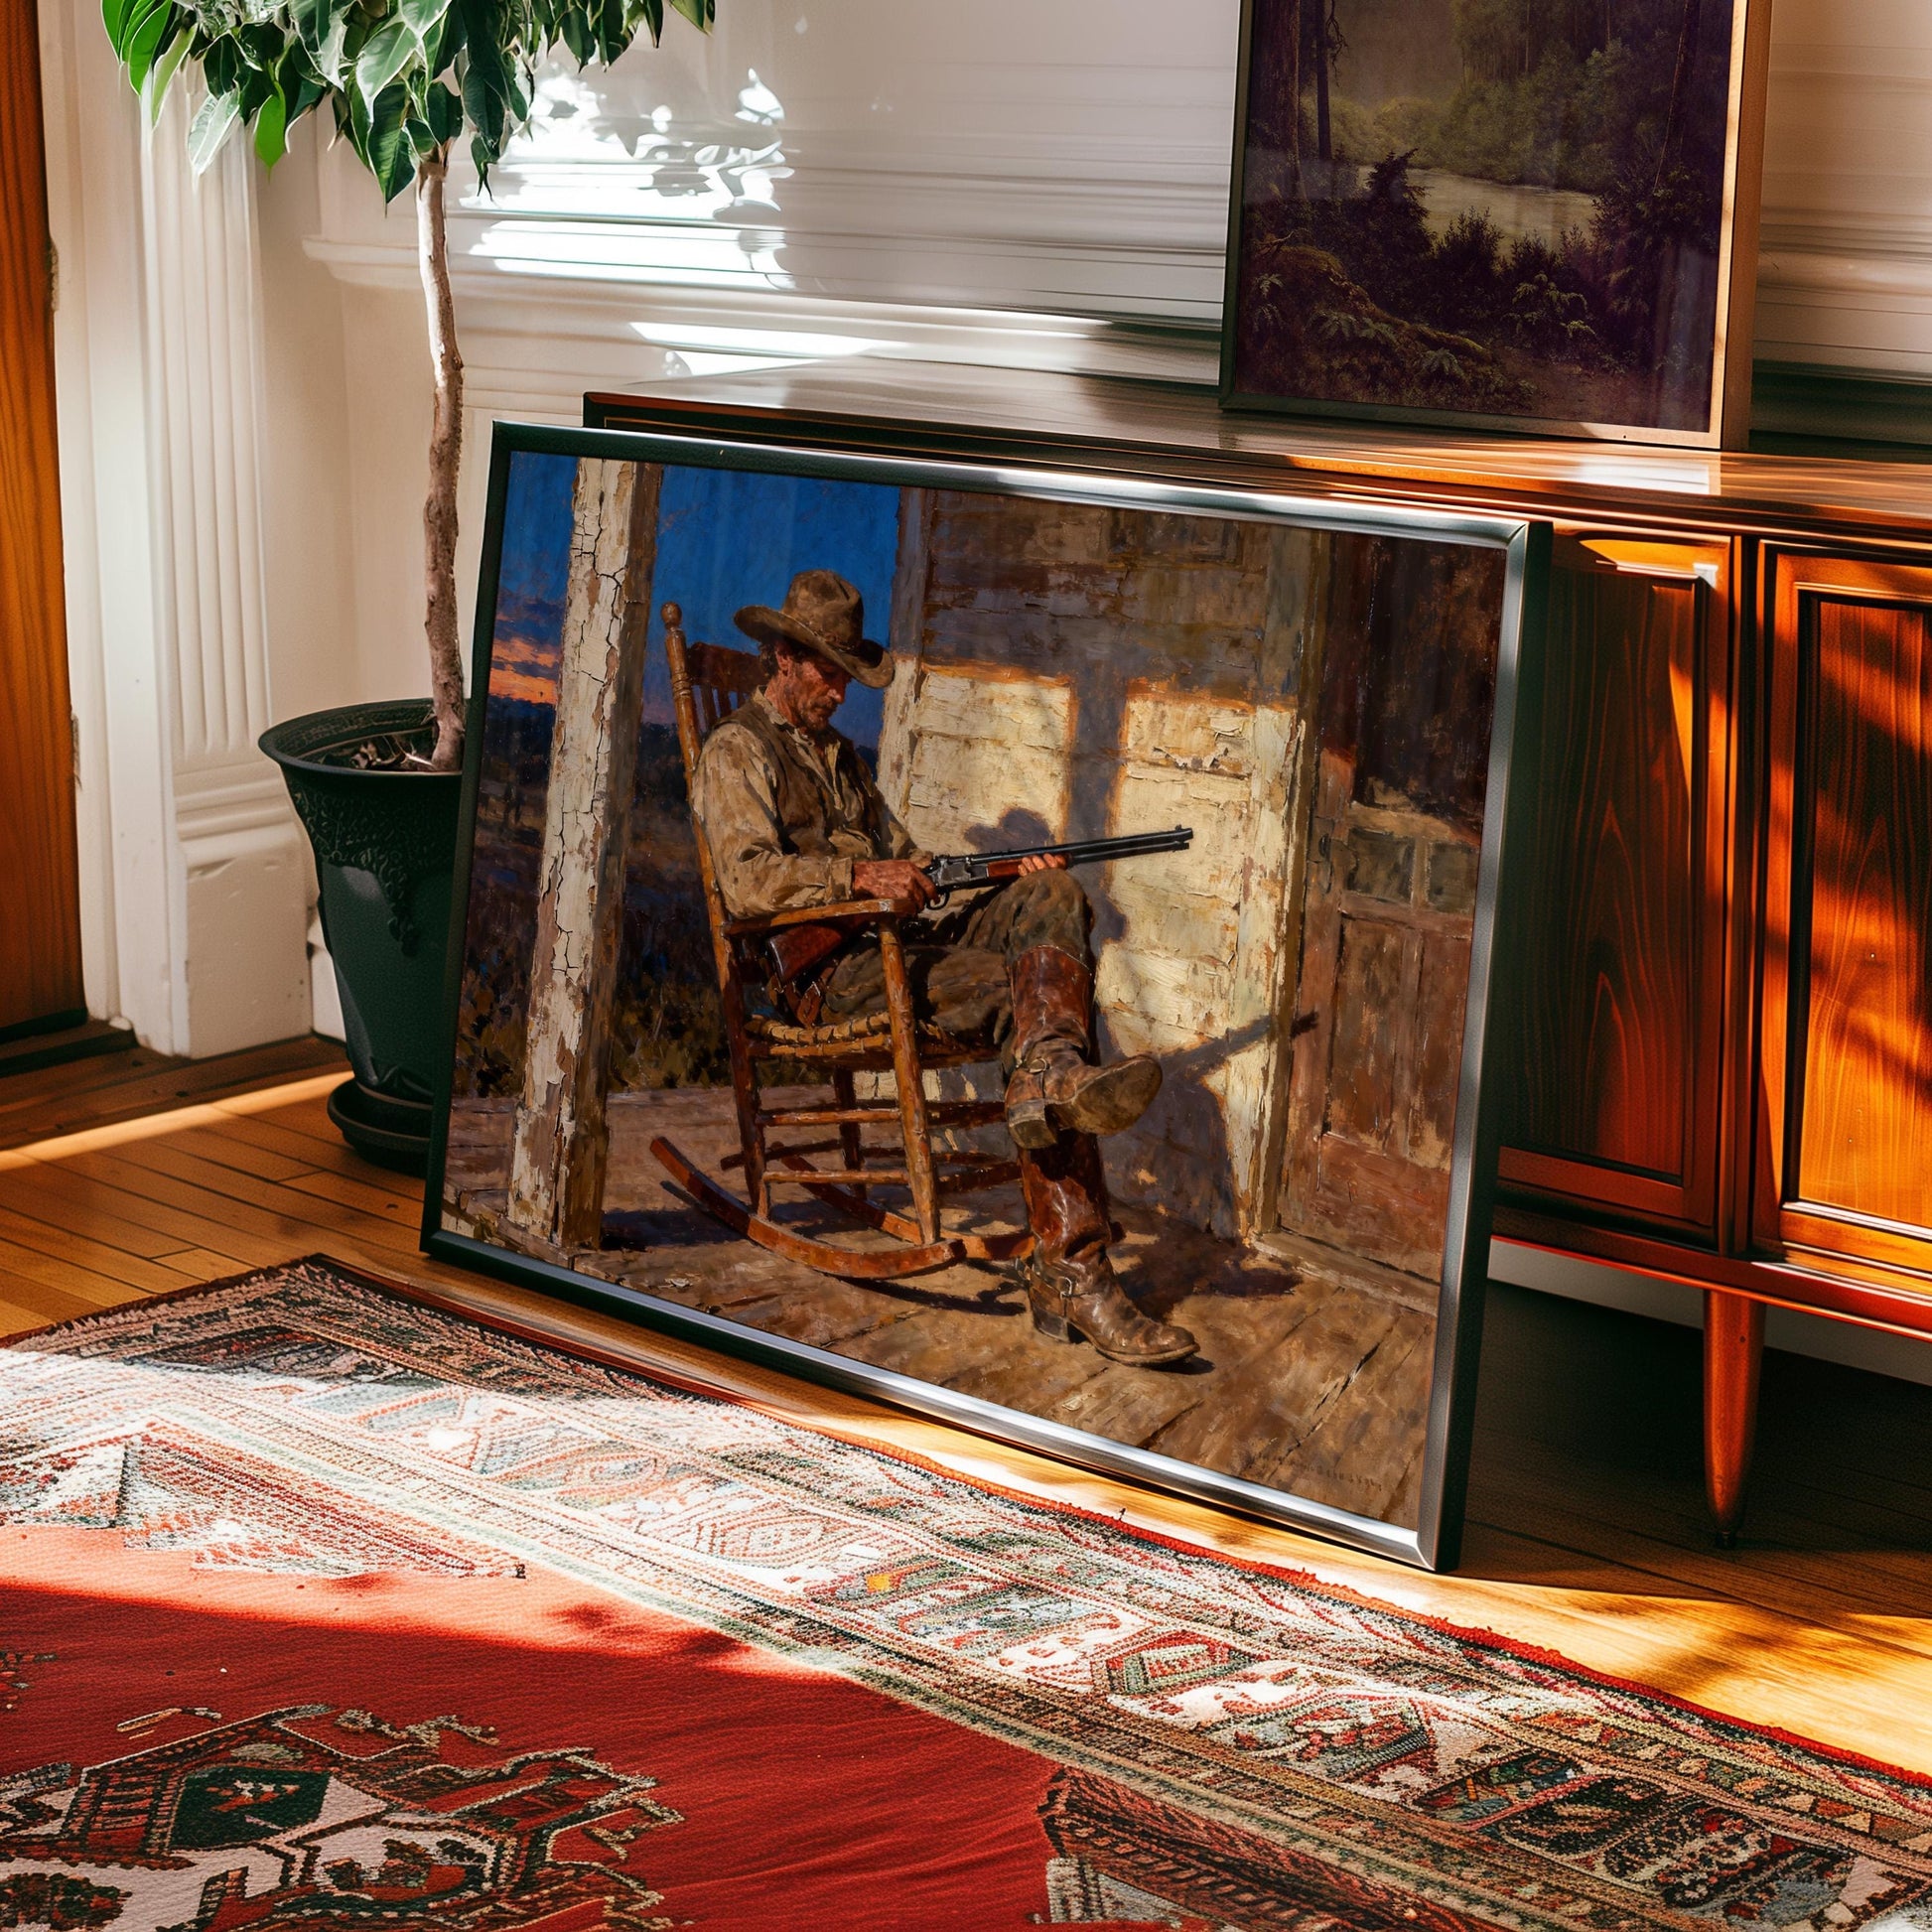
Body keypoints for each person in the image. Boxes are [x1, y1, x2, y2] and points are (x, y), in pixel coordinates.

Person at [692, 568, 1196, 1368]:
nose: (841, 693)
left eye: (849, 675)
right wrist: (859, 881)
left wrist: (993, 874)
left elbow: (906, 863)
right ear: (784, 657)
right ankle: (1073, 1267)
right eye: (830, 672)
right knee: (1021, 996)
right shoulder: (733, 752)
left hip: (895, 942)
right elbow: (748, 884)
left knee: (1052, 892)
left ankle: (1049, 1077)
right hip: (829, 975)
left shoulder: (842, 761)